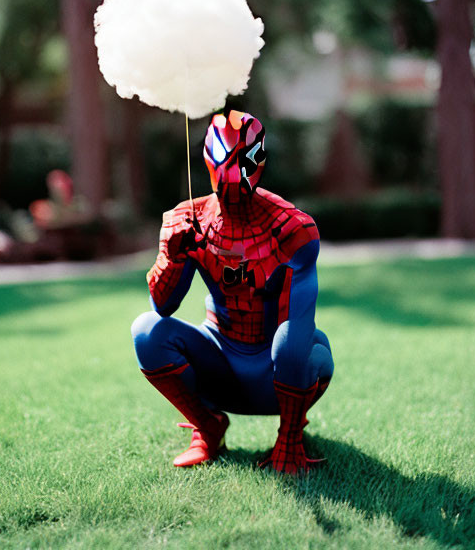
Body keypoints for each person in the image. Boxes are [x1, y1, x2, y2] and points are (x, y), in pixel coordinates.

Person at [131, 110, 333, 474]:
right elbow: (161, 306)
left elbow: (299, 327)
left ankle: (289, 437)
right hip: (218, 360)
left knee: (295, 340)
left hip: (278, 368)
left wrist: (289, 437)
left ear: (259, 158)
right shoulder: (186, 219)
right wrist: (172, 259)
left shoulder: (291, 227)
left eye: (243, 161)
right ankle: (208, 427)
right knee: (146, 330)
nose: (233, 176)